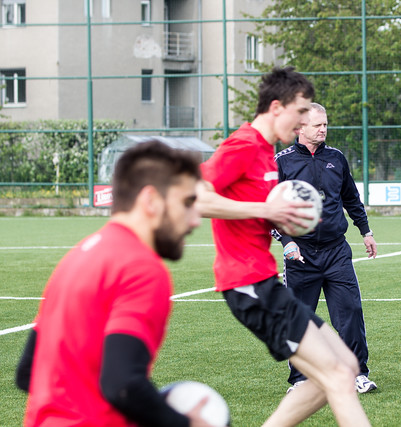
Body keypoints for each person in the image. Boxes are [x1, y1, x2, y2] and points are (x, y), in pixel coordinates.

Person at [196, 67, 370, 427]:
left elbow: (266, 212)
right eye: (300, 112)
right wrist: (267, 211)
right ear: (277, 107)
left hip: (265, 280)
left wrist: (282, 220)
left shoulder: (264, 152)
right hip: (245, 282)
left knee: (346, 367)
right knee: (338, 376)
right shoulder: (243, 145)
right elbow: (195, 196)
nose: (304, 121)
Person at [15, 141, 218, 427]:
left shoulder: (78, 255)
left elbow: (28, 372)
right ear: (151, 201)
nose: (196, 219)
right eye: (187, 202)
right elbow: (122, 385)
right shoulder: (141, 268)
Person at [273, 102, 377, 394]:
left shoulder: (337, 158)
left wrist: (365, 231)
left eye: (325, 124)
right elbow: (269, 210)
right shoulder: (282, 162)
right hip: (300, 254)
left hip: (336, 251)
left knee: (351, 312)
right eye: (318, 125)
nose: (324, 129)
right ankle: (300, 378)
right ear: (300, 128)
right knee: (299, 317)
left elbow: (351, 199)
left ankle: (356, 373)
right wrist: (287, 241)